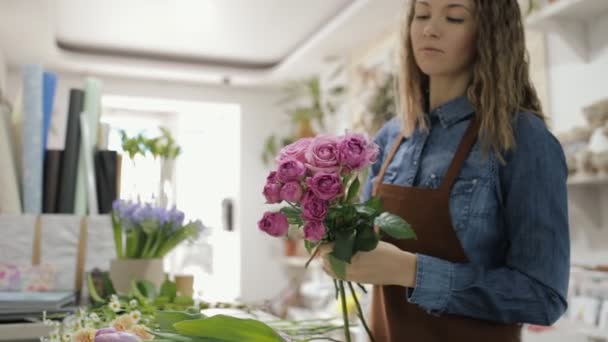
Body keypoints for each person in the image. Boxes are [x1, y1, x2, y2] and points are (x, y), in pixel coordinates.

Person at [318, 0, 570, 340]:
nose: (429, 28)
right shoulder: (391, 137)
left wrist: (413, 272)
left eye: (454, 17)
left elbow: (543, 298)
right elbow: (367, 253)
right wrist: (338, 251)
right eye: (421, 15)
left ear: (490, 34)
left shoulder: (522, 139)